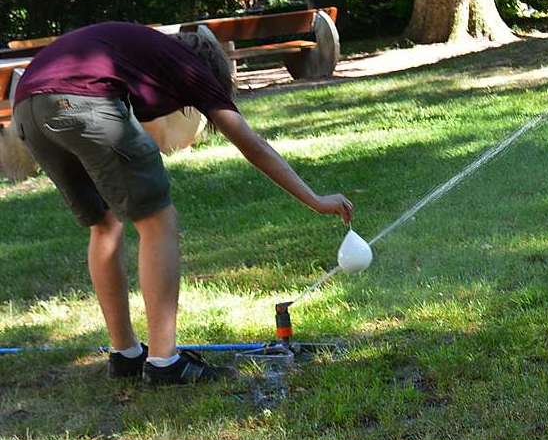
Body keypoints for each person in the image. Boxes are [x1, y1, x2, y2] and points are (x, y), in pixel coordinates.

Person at [12, 22, 354, 385]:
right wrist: (316, 200)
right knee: (159, 220)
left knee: (105, 222)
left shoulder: (142, 54)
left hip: (28, 105)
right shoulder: (192, 69)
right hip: (82, 101)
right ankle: (164, 362)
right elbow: (252, 144)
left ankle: (125, 354)